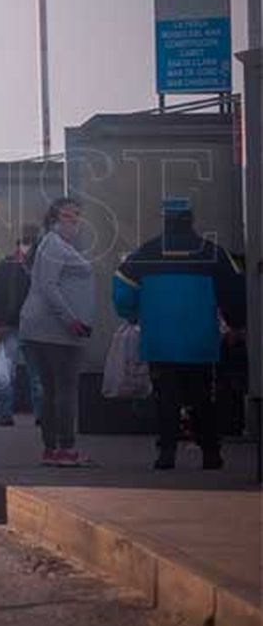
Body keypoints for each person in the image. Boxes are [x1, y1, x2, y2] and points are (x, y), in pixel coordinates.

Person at [113, 197, 247, 470]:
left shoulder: (147, 253)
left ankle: (166, 455)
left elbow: (122, 286)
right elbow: (235, 288)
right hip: (200, 341)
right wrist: (236, 324)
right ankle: (211, 453)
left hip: (160, 341)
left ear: (165, 220)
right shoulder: (212, 252)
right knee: (202, 398)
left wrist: (132, 313)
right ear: (191, 219)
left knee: (166, 398)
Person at [19, 197, 95, 467]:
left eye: (77, 216)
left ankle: (51, 449)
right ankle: (66, 449)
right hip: (56, 331)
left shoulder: (51, 245)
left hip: (41, 329)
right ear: (53, 219)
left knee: (52, 392)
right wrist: (71, 320)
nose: (74, 222)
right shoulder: (54, 245)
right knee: (64, 390)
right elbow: (50, 286)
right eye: (68, 217)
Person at [0, 225, 44, 427]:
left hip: (16, 327)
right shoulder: (30, 267)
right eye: (27, 241)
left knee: (7, 373)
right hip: (23, 327)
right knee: (34, 374)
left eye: (31, 241)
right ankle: (35, 414)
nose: (28, 246)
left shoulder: (8, 266)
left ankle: (8, 413)